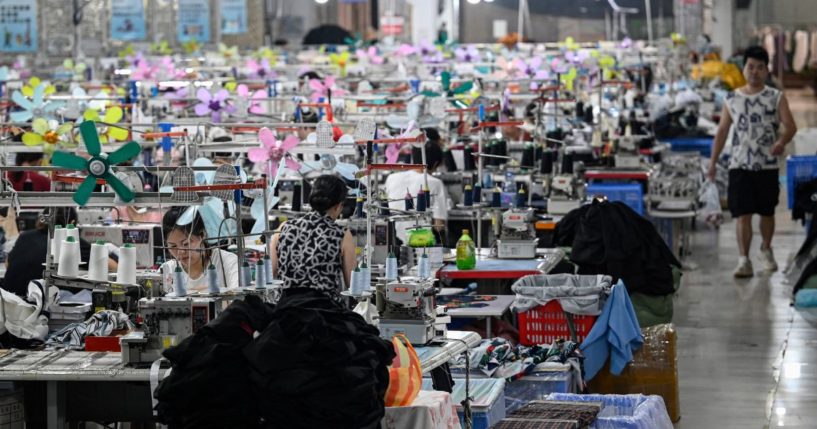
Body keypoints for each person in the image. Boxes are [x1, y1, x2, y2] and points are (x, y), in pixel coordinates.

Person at [708, 46, 797, 278]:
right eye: (750, 67)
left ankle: (766, 249)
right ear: (744, 68)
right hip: (739, 165)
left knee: (767, 212)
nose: (754, 71)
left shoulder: (775, 97)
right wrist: (712, 162)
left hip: (766, 166)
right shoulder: (732, 99)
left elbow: (791, 126)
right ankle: (744, 260)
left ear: (766, 71)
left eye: (759, 67)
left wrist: (781, 142)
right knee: (743, 213)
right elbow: (722, 132)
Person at [270, 174, 356, 301]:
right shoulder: (342, 234)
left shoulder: (283, 228)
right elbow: (353, 285)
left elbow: (269, 276)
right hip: (325, 314)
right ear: (338, 206)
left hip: (285, 312)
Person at [1, 207, 118, 297]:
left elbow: (7, 264)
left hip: (10, 302)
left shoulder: (25, 236)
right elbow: (113, 266)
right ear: (72, 223)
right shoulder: (70, 241)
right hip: (35, 306)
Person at [384, 128, 448, 244]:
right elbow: (439, 226)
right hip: (420, 243)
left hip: (392, 241)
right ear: (435, 164)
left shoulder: (391, 178)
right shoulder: (435, 183)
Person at [160, 207, 239, 294]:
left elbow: (238, 301)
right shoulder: (167, 270)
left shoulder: (228, 262)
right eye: (173, 246)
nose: (181, 252)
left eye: (186, 243)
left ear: (202, 235)